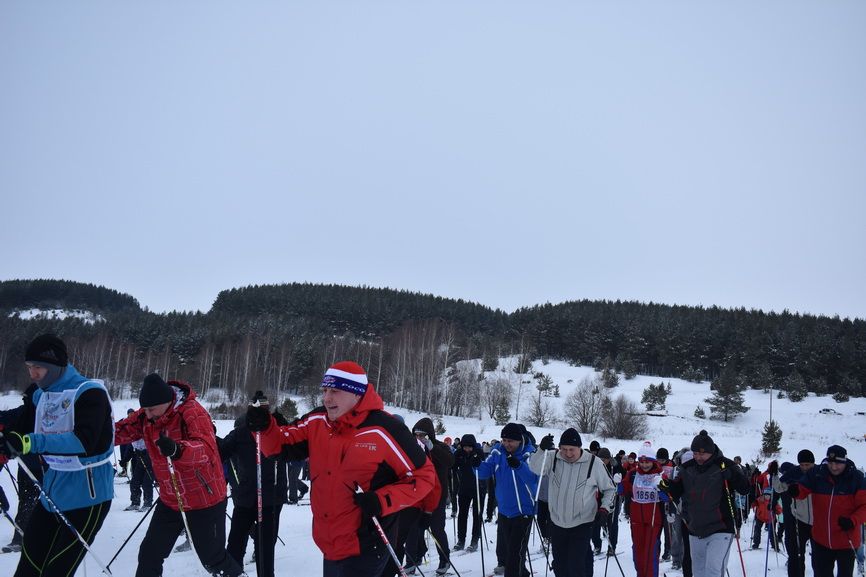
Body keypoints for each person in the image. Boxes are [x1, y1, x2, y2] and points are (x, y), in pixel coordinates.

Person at [246, 361, 436, 577]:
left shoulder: (384, 428)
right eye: (325, 390)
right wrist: (264, 426)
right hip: (330, 542)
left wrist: (383, 501)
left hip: (367, 542)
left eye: (335, 391)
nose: (327, 398)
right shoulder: (317, 421)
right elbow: (280, 445)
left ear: (356, 394)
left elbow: (424, 476)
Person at [0, 334, 114, 577]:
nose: (32, 374)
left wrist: (31, 442)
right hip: (52, 492)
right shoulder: (41, 395)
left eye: (38, 367)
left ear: (54, 366)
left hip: (88, 496)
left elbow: (84, 442)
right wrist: (8, 443)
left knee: (56, 572)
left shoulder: (90, 392)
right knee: (28, 567)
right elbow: (20, 427)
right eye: (29, 367)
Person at [114, 373, 244, 577]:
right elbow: (119, 431)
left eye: (151, 410)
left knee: (213, 559)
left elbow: (207, 449)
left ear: (166, 402)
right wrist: (93, 437)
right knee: (150, 555)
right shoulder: (146, 416)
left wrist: (178, 450)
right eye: (144, 410)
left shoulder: (192, 412)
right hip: (171, 499)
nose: (147, 415)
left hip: (205, 498)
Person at [659, 430, 749, 577]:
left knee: (713, 570)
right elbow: (675, 492)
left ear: (711, 452)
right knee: (698, 572)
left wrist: (733, 476)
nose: (698, 457)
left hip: (721, 528)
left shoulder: (725, 465)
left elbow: (745, 489)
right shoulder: (687, 468)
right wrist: (667, 486)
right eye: (695, 453)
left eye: (702, 454)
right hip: (695, 529)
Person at [218, 398, 291, 577]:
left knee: (265, 546)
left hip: (271, 498)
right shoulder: (240, 433)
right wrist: (209, 436)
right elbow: (220, 451)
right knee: (235, 543)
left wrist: (284, 427)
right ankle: (233, 572)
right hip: (245, 497)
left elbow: (295, 448)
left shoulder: (278, 429)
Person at [530, 428, 615, 577]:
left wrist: (604, 509)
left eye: (572, 449)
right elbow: (535, 467)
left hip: (582, 523)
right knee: (560, 566)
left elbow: (610, 489)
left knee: (576, 566)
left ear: (579, 448)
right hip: (557, 522)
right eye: (564, 449)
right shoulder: (552, 457)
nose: (568, 453)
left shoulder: (593, 463)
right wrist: (541, 450)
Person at [790, 445, 866, 577]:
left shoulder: (856, 478)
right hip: (821, 540)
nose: (834, 467)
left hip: (846, 540)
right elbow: (802, 489)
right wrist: (796, 490)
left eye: (838, 463)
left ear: (845, 461)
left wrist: (853, 520)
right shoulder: (818, 474)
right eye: (830, 462)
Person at [477, 423, 539, 577]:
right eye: (504, 440)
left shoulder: (529, 454)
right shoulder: (498, 452)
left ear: (519, 440)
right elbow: (484, 472)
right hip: (505, 511)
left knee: (513, 558)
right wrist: (476, 464)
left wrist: (518, 466)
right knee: (513, 554)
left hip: (523, 512)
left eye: (510, 441)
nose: (507, 444)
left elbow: (533, 480)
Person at [404, 417, 454, 576]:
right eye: (416, 435)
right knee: (412, 529)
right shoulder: (412, 447)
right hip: (417, 495)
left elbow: (450, 461)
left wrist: (433, 448)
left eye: (422, 435)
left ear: (430, 435)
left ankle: (444, 559)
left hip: (437, 495)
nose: (419, 438)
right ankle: (412, 560)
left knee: (437, 528)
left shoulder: (439, 446)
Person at [621, 442, 667, 577]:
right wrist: (619, 485)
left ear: (653, 461)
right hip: (636, 519)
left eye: (648, 462)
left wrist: (661, 488)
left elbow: (667, 498)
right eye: (642, 462)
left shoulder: (659, 475)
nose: (644, 465)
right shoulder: (633, 474)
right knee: (638, 553)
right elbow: (624, 489)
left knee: (650, 552)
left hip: (654, 519)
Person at [772, 450, 815, 577]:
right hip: (799, 519)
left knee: (819, 559)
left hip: (818, 520)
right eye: (802, 464)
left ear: (813, 463)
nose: (805, 467)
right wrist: (774, 474)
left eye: (808, 464)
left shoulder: (819, 474)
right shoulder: (793, 473)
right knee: (796, 556)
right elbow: (779, 487)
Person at [453, 433, 486, 552]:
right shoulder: (459, 453)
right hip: (464, 488)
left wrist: (479, 461)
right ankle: (461, 539)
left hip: (478, 487)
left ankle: (475, 539)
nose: (467, 449)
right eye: (464, 447)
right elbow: (453, 465)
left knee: (477, 514)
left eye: (469, 447)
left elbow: (485, 465)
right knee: (462, 514)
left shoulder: (479, 453)